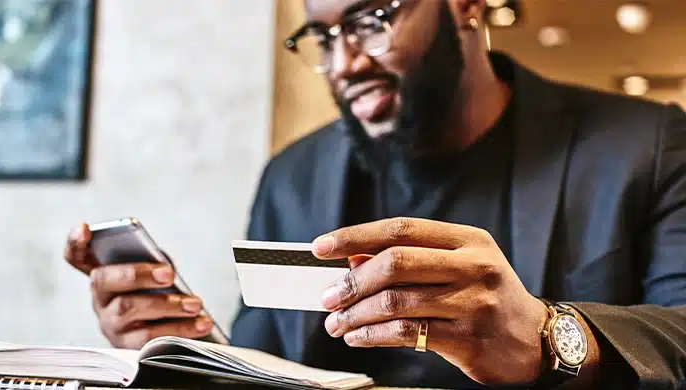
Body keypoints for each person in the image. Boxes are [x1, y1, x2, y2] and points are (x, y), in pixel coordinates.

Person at [65, 0, 686, 388]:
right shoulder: (293, 174)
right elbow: (270, 364)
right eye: (323, 38)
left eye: (373, 21)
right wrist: (192, 355)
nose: (344, 64)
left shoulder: (646, 145)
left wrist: (546, 338)